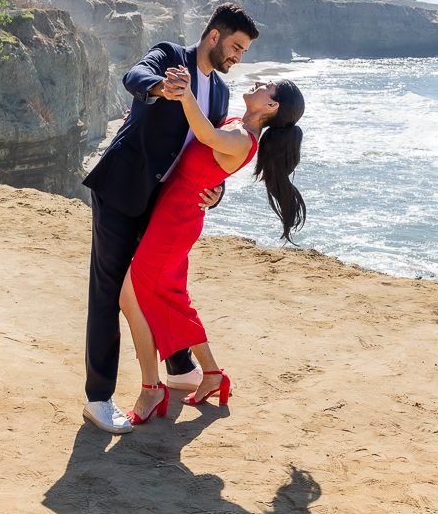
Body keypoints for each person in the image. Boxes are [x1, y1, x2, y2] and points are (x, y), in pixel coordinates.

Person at [81, 3, 258, 434]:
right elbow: (134, 78)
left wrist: (216, 192)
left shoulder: (218, 92)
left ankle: (179, 368)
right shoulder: (169, 56)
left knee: (157, 286)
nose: (238, 57)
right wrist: (162, 88)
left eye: (244, 52)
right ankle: (99, 398)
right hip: (123, 189)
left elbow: (210, 149)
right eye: (235, 46)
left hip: (165, 204)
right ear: (213, 36)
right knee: (109, 292)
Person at [118, 75, 305, 425]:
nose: (260, 82)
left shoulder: (242, 137)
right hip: (176, 214)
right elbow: (205, 156)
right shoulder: (239, 124)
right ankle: (212, 374)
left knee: (131, 297)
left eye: (269, 86)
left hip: (176, 221)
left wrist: (185, 93)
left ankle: (152, 387)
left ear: (271, 106)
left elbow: (205, 135)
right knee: (169, 296)